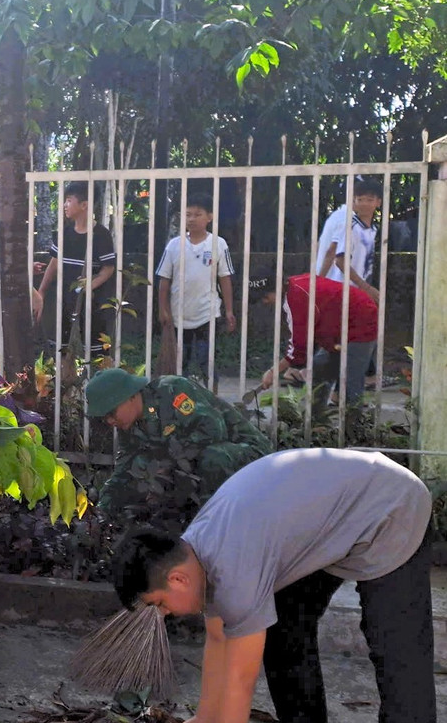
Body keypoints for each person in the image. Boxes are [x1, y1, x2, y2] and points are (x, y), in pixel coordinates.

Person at [111, 448, 434, 723]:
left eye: (160, 605)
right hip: (335, 513)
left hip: (391, 508)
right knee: (284, 620)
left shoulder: (234, 572)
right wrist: (207, 718)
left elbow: (241, 679)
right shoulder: (195, 550)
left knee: (400, 663)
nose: (163, 615)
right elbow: (218, 634)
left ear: (177, 579)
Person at [84, 368, 271, 518]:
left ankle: (214, 524)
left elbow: (214, 429)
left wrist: (169, 462)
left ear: (131, 396)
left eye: (111, 413)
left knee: (211, 458)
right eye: (104, 417)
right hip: (197, 463)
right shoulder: (130, 426)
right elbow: (123, 470)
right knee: (139, 466)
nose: (110, 421)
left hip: (249, 455)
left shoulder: (172, 390)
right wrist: (101, 510)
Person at [255, 273, 378, 408]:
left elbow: (299, 346)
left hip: (361, 319)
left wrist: (273, 372)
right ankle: (316, 416)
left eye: (265, 297)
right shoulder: (294, 284)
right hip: (339, 325)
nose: (265, 302)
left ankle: (353, 418)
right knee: (320, 367)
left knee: (351, 380)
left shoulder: (296, 299)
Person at [35, 181, 117, 358]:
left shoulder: (101, 235)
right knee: (63, 352)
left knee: (96, 353)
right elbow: (54, 264)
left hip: (93, 305)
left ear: (84, 205)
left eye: (69, 200)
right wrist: (41, 292)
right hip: (64, 302)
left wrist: (90, 285)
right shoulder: (65, 233)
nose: (65, 205)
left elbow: (108, 269)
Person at [156, 196, 235, 379]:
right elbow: (164, 280)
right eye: (188, 214)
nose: (191, 219)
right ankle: (179, 395)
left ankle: (211, 394)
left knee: (207, 362)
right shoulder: (174, 245)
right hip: (178, 314)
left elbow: (225, 278)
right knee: (179, 363)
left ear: (210, 217)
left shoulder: (218, 244)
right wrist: (163, 309)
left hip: (208, 313)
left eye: (197, 214)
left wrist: (229, 310)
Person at [317, 177, 383, 305]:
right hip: (341, 288)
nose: (364, 203)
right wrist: (319, 283)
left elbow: (323, 247)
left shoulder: (372, 229)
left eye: (369, 199)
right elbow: (336, 256)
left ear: (378, 202)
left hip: (352, 289)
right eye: (360, 198)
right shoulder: (347, 221)